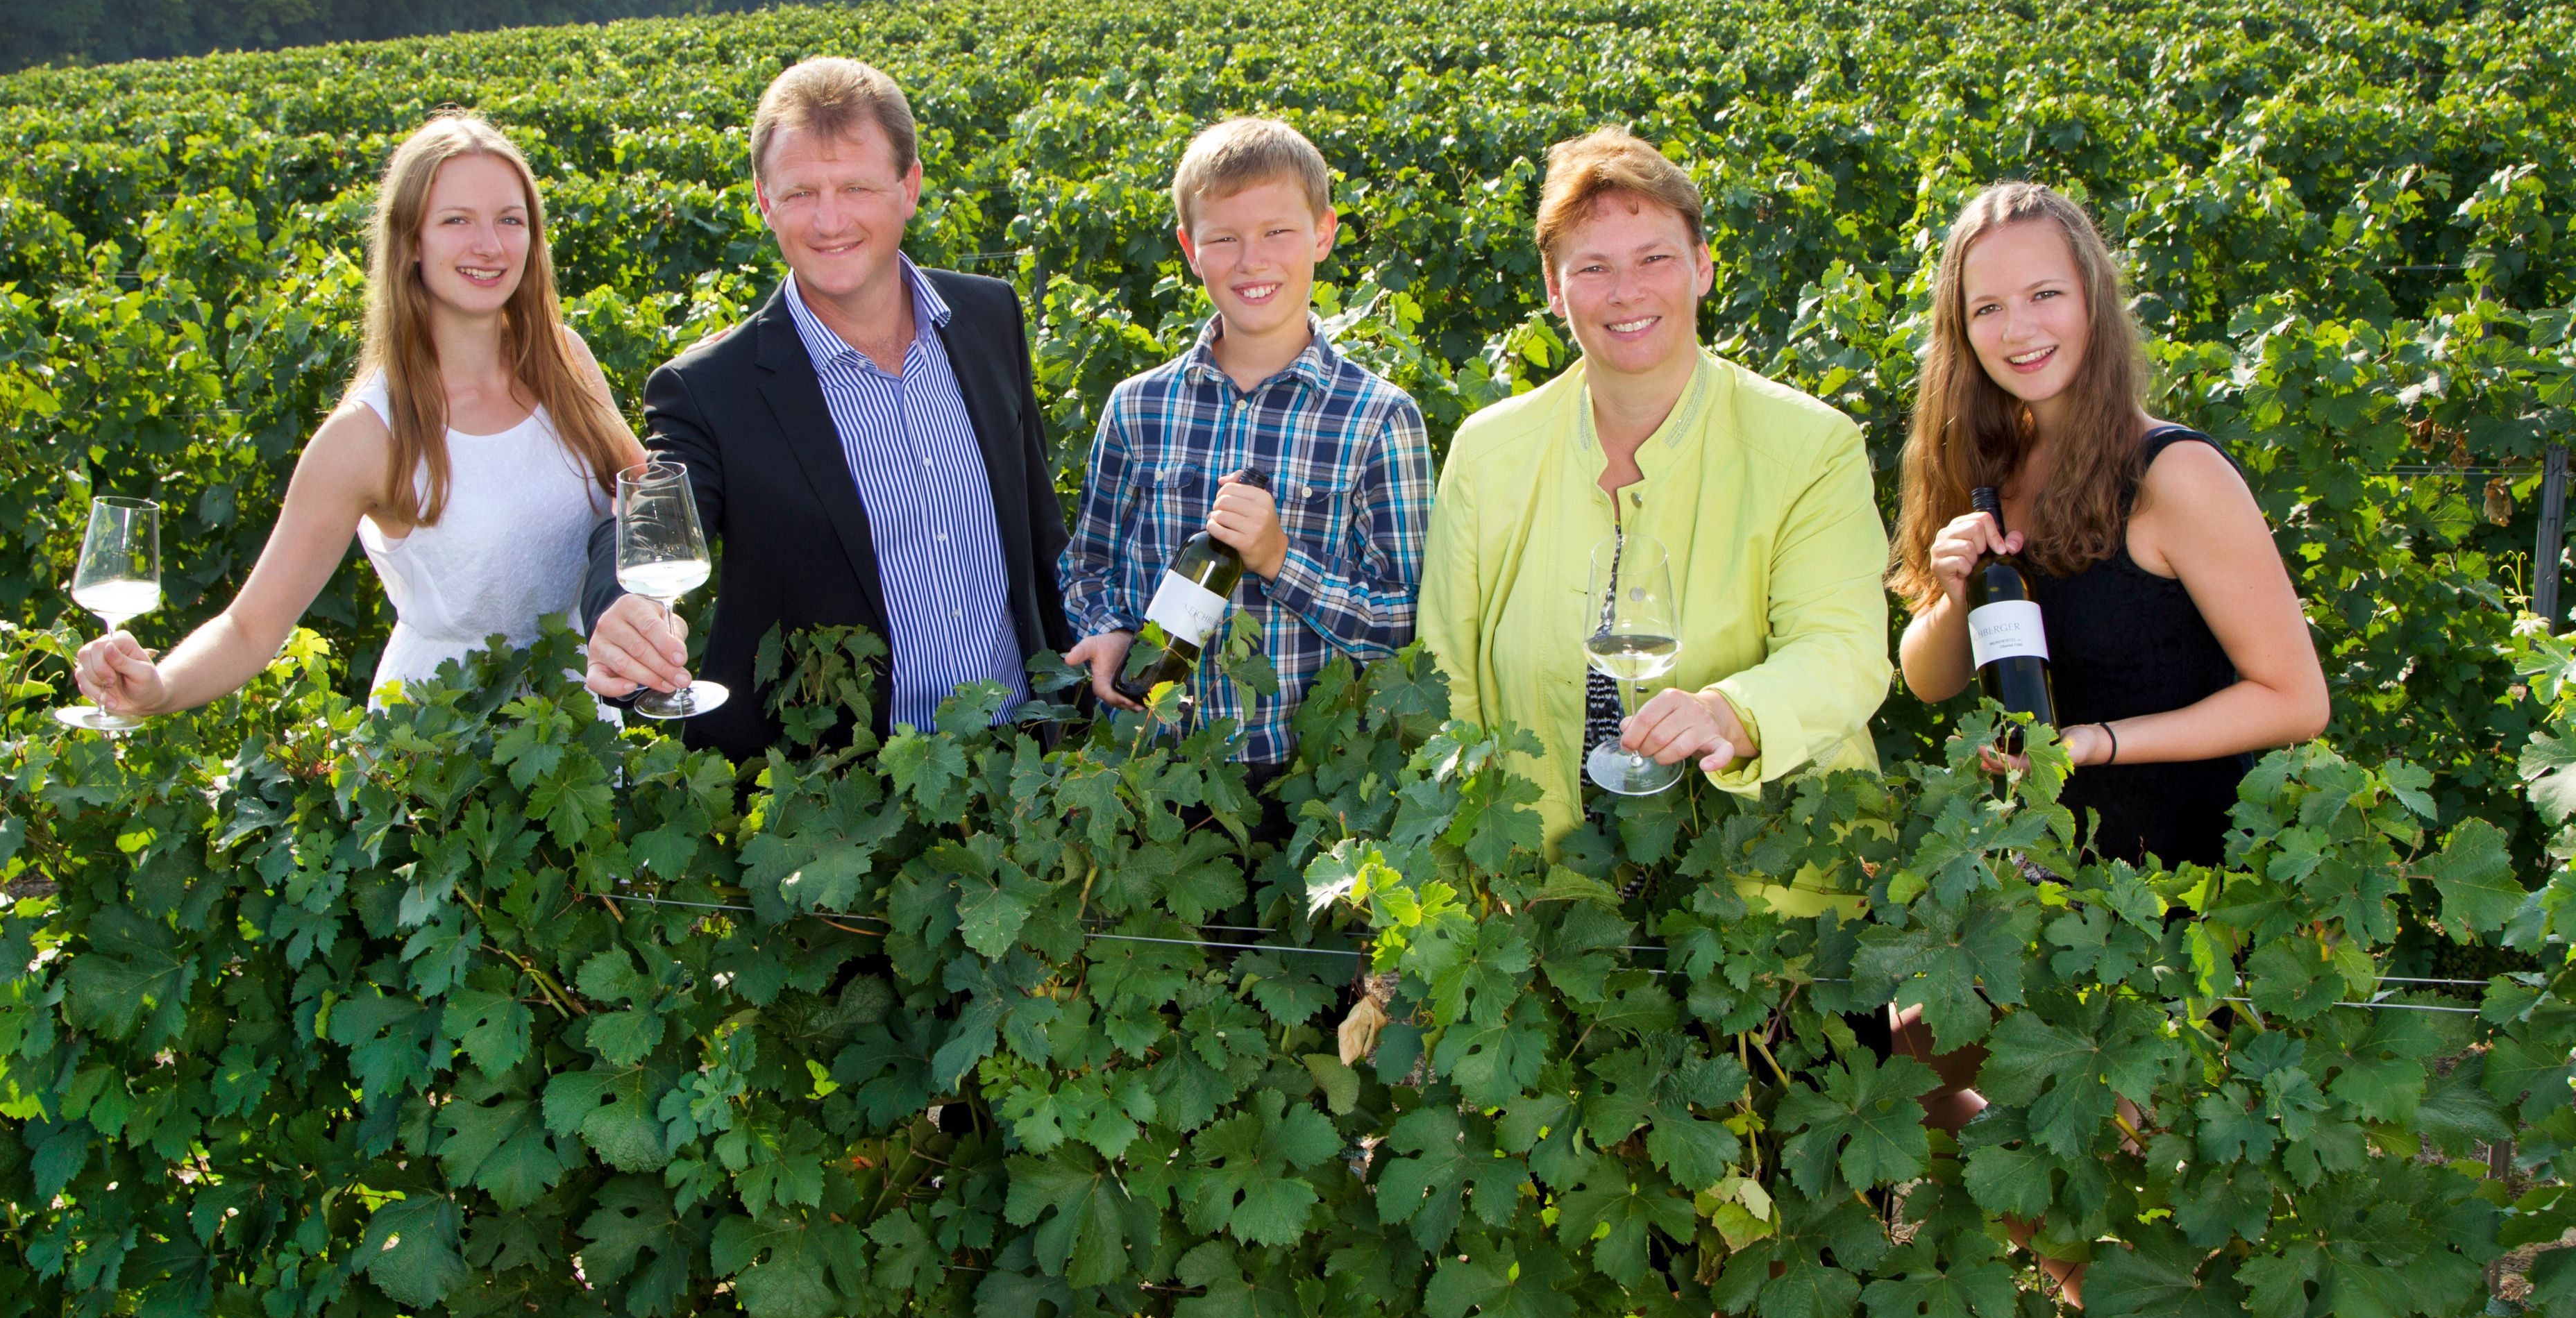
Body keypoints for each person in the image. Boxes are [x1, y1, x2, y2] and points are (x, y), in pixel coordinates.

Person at [1416, 127, 1892, 888]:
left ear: (1702, 268)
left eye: (1654, 259)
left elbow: (1844, 649)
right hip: (1546, 893)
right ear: (1553, 288)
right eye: (1593, 267)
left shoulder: (1810, 446)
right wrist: (1476, 875)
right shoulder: (1487, 452)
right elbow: (1448, 679)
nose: (1626, 292)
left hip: (1764, 900)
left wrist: (1732, 713)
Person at [580, 57, 1072, 754]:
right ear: (763, 202)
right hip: (843, 795)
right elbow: (642, 515)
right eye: (801, 192)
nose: (829, 220)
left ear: (909, 187)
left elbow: (1039, 533)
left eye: (856, 187)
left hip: (1024, 758)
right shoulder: (711, 389)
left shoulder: (988, 317)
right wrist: (618, 604)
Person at [72, 115, 642, 716]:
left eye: (510, 219)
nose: (490, 245)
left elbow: (649, 509)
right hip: (443, 743)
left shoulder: (566, 362)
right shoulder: (368, 435)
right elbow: (248, 629)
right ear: (411, 241)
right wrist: (158, 689)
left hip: (581, 717)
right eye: (457, 220)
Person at [1892, 180, 2328, 868]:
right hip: (2042, 876)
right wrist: (1953, 595)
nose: (2018, 330)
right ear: (1962, 329)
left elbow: (2295, 701)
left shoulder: (2174, 474)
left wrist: (2100, 742)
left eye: (2044, 295)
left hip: (2182, 886)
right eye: (1987, 308)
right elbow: (1928, 681)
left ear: (2093, 298)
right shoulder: (1986, 469)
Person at [1059, 117, 1433, 772]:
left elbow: (1406, 623)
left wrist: (1279, 558)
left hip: (1303, 780)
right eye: (1224, 238)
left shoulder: (1379, 418)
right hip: (1147, 763)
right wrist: (1107, 628)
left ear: (1323, 233)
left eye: (1277, 232)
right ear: (1189, 247)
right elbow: (1089, 563)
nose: (1252, 260)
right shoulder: (1137, 407)